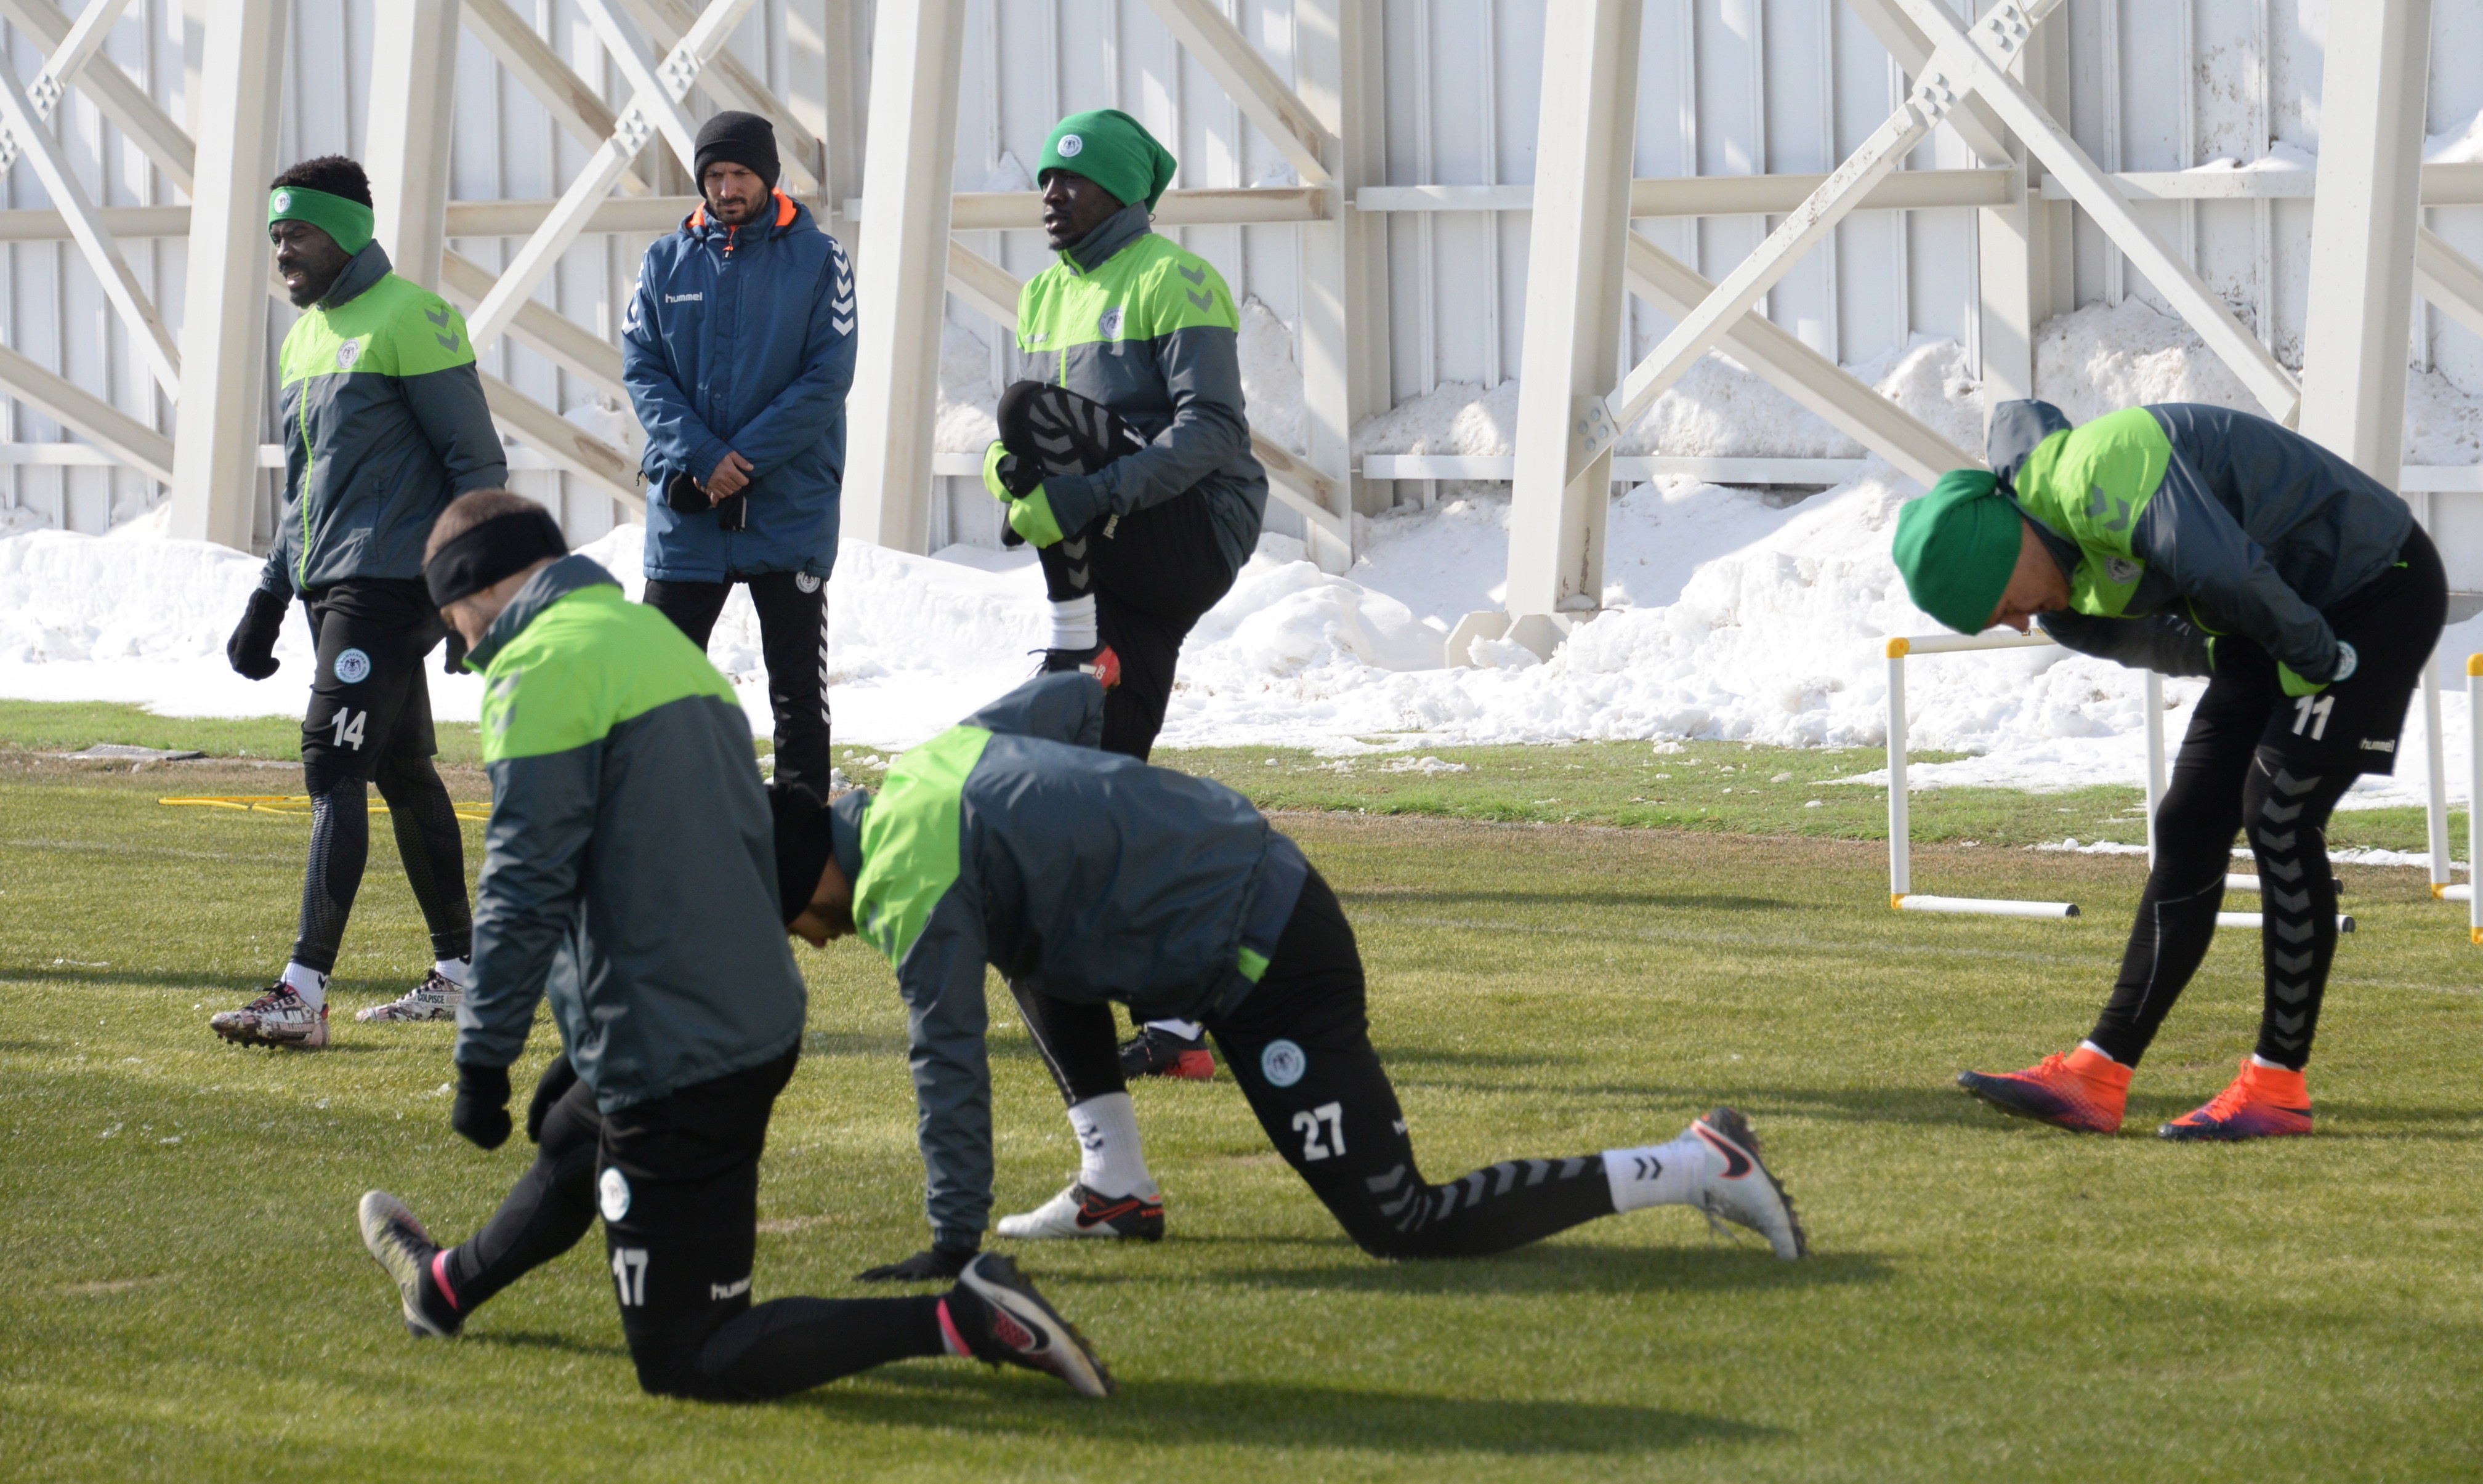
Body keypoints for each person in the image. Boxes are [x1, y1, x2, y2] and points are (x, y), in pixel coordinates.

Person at [352, 491, 1111, 1401]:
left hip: (680, 1051)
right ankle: (444, 1287)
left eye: (456, 623)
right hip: (738, 1011)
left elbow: (527, 879)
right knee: (570, 1135)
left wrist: (485, 1056)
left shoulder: (542, 667)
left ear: (481, 589)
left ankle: (965, 1315)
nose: (464, 651)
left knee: (693, 1355)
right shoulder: (656, 645)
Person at [773, 673, 1807, 1273]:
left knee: (1401, 1222)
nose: (815, 943)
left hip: (1269, 951)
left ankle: (1694, 1161)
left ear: (812, 877)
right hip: (1227, 883)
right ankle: (1115, 1184)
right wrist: (1116, 826)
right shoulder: (921, 769)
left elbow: (942, 1059)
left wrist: (953, 1244)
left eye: (796, 924)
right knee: (1034, 940)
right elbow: (1071, 700)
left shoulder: (909, 883)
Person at [1894, 400, 2448, 1140]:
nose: (2020, 624)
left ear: (2000, 555)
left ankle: (2277, 1087)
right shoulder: (2062, 601)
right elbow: (2171, 642)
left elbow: (2225, 566)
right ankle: (2097, 1075)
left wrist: (2316, 663)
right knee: (2188, 820)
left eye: (2001, 608)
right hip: (2276, 616)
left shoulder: (2097, 467)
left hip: (2375, 586)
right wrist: (2245, 660)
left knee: (2277, 813)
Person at [985, 107, 1269, 1083]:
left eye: (1072, 181)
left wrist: (1087, 496)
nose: (1051, 196)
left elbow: (1215, 431)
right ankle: (1179, 1018)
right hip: (1117, 551)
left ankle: (1069, 633)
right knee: (1107, 778)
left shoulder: (1175, 276)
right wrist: (1009, 487)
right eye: (1046, 182)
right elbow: (1012, 442)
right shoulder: (1039, 295)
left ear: (1121, 192)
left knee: (1030, 413)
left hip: (1191, 529)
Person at [212, 155, 505, 1049]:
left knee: (329, 762)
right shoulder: (305, 337)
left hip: (390, 588)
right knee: (404, 768)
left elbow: (477, 464)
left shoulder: (414, 317)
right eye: (274, 236)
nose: (282, 253)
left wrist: (470, 590)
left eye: (295, 233)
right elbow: (306, 493)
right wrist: (268, 595)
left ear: (344, 232)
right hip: (328, 585)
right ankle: (461, 973)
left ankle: (302, 991)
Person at [624, 111, 855, 796]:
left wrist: (738, 464)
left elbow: (827, 378)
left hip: (788, 515)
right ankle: (668, 847)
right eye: (715, 175)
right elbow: (642, 368)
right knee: (654, 695)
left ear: (768, 177)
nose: (727, 187)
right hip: (687, 515)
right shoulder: (665, 259)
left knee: (797, 703)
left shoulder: (821, 259)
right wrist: (701, 457)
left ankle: (806, 869)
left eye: (740, 174)